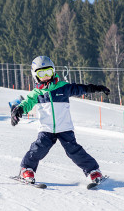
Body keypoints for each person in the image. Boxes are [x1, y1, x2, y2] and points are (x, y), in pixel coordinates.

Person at [11, 56, 110, 184]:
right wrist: (18, 110)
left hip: (64, 127)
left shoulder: (63, 87)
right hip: (46, 128)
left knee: (73, 151)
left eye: (49, 72)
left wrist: (96, 88)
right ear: (35, 75)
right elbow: (27, 102)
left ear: (53, 71)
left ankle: (93, 171)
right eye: (42, 73)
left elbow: (80, 88)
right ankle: (27, 169)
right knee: (38, 148)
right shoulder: (37, 93)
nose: (46, 76)